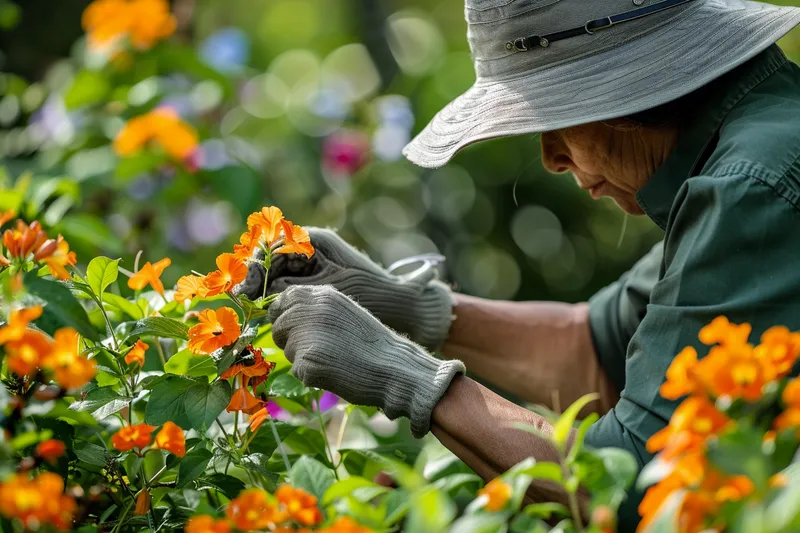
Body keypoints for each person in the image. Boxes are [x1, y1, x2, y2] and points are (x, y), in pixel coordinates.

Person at [240, 0, 800, 529]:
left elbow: (626, 490)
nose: (551, 157)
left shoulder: (749, 190)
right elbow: (596, 351)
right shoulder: (754, 143)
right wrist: (407, 307)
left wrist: (406, 378)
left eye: (560, 115)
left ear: (634, 92)